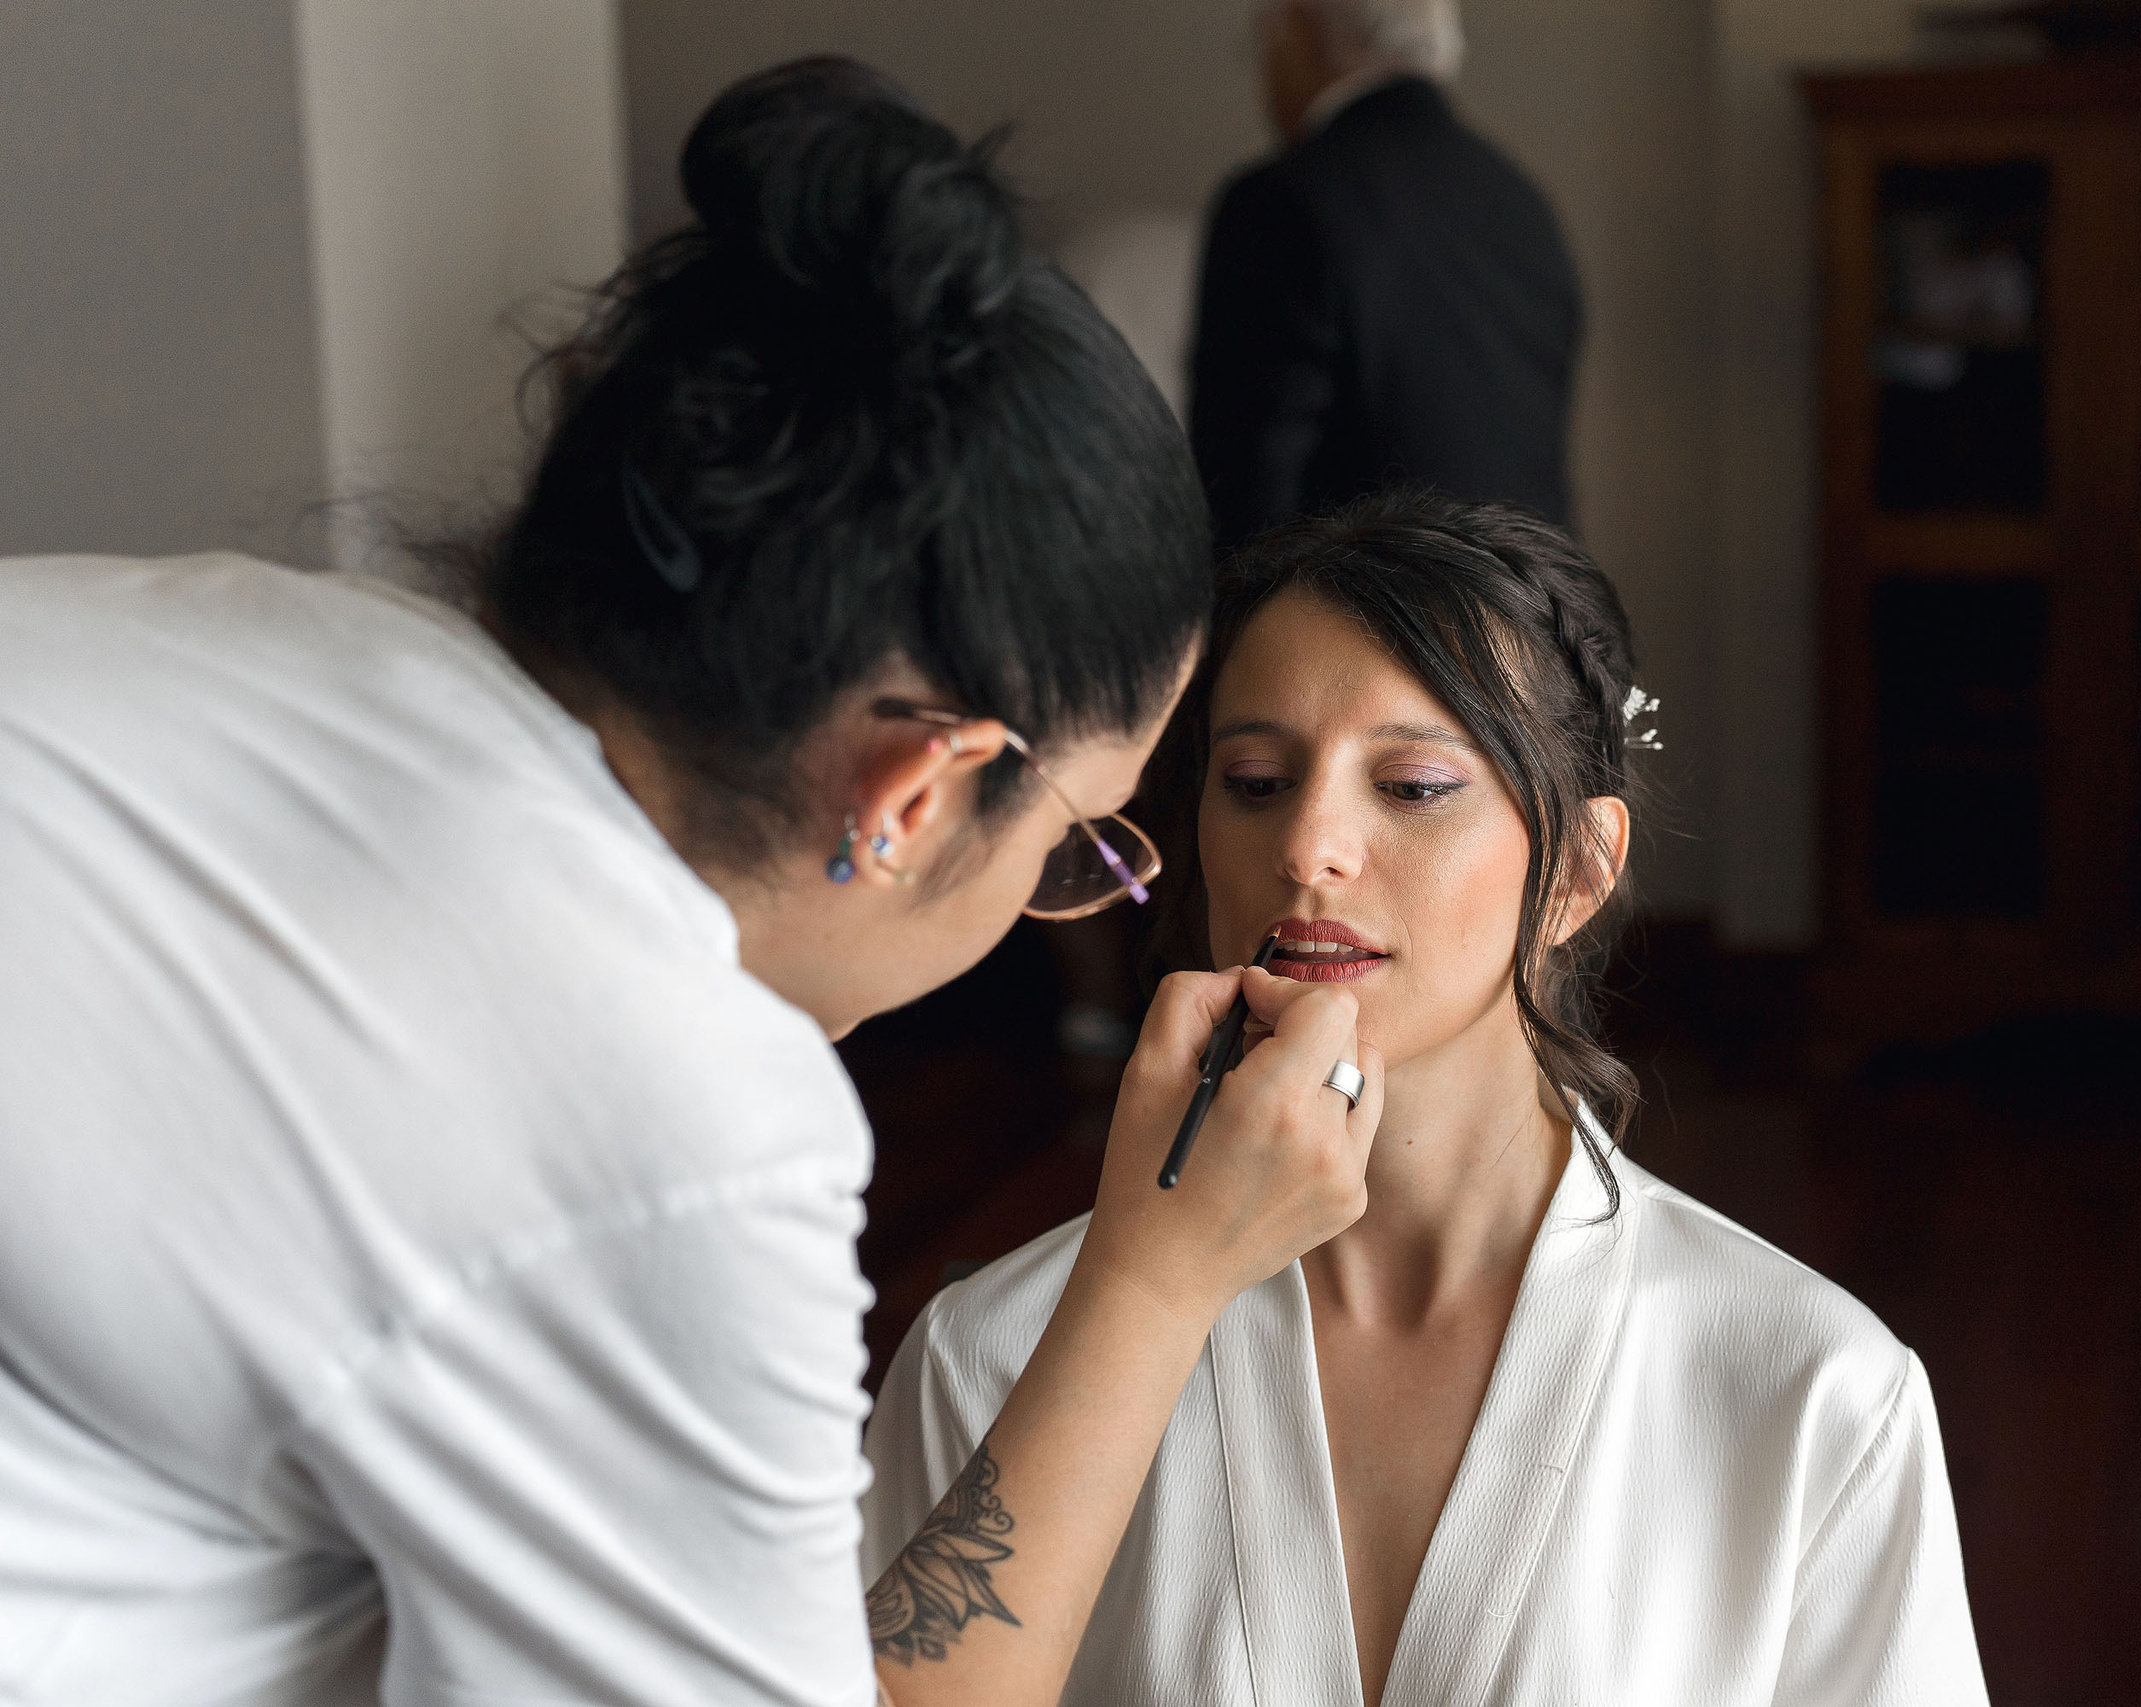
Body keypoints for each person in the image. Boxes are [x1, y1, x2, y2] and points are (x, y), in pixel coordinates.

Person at [0, 59, 1383, 1707]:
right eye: (1077, 837)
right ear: (917, 785)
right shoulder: (669, 1118)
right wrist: (1159, 1281)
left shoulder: (202, 625)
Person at [862, 491, 1990, 1706]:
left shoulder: (1806, 1389)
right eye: (1252, 780)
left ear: (1577, 872)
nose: (1307, 847)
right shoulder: (997, 1357)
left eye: (1409, 786)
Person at [1188, 0, 1584, 551]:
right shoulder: (1524, 207)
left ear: (1299, 32)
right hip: (1524, 623)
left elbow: (1246, 500)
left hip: (1360, 628)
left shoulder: (1280, 203)